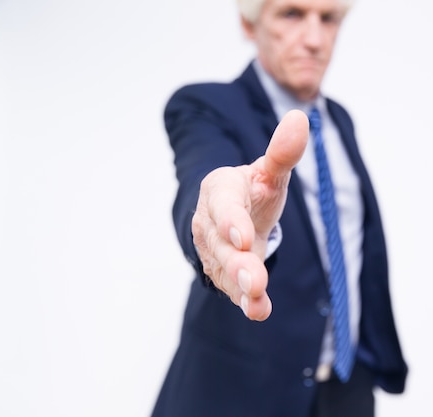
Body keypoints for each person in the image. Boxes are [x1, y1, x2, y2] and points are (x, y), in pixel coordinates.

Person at [151, 0, 407, 416]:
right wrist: (219, 224)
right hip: (241, 394)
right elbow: (205, 177)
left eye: (328, 19)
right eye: (291, 14)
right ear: (250, 25)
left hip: (345, 391)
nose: (313, 39)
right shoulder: (207, 106)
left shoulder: (340, 120)